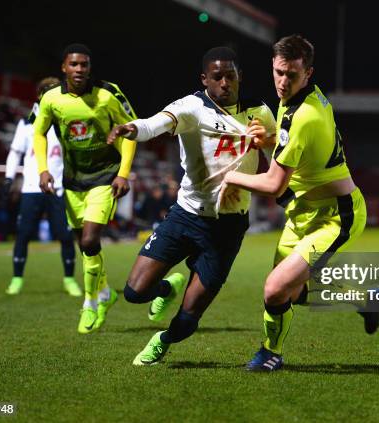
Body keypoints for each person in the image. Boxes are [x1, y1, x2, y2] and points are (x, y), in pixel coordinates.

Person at [107, 46, 276, 365]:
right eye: (217, 77)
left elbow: (282, 153)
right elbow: (153, 124)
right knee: (135, 292)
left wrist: (267, 141)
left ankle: (164, 340)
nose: (225, 82)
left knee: (187, 321)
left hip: (228, 228)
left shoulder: (259, 111)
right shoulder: (191, 107)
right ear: (205, 79)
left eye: (231, 75)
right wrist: (132, 128)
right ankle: (166, 289)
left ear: (240, 77)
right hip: (185, 217)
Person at [221, 35, 377, 372]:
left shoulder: (302, 115)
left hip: (336, 214)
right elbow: (293, 150)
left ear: (308, 73)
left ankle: (270, 353)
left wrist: (229, 177)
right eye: (278, 72)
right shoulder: (301, 98)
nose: (282, 82)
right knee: (290, 292)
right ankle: (363, 298)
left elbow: (274, 183)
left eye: (291, 75)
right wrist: (270, 140)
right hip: (303, 211)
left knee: (275, 289)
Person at [33, 43, 137, 334]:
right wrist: (43, 169)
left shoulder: (107, 93)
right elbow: (38, 132)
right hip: (73, 181)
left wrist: (124, 174)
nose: (80, 70)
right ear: (64, 68)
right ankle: (105, 292)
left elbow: (131, 131)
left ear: (90, 68)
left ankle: (90, 303)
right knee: (85, 246)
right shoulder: (51, 99)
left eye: (85, 65)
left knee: (90, 241)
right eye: (74, 65)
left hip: (105, 177)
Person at [3, 77, 81, 296]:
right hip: (31, 187)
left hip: (58, 189)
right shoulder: (27, 123)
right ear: (40, 95)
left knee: (65, 236)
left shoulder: (67, 120)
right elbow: (16, 152)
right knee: (24, 234)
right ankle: (17, 278)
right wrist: (9, 178)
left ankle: (69, 279)